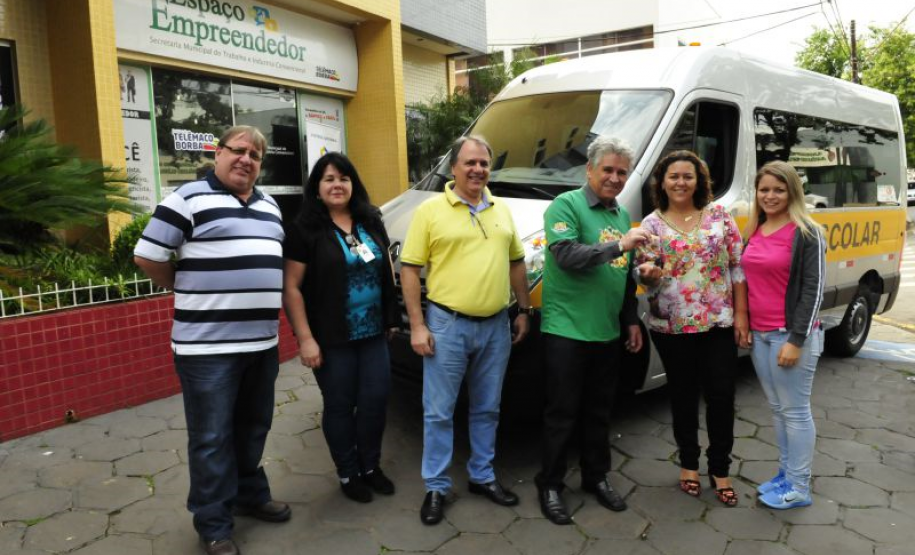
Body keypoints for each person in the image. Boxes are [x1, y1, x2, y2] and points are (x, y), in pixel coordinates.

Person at [134, 126, 290, 555]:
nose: (246, 160)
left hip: (261, 345)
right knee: (212, 438)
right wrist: (183, 286)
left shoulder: (270, 205)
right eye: (238, 150)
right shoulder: (186, 199)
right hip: (207, 350)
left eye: (255, 155)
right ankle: (214, 523)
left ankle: (249, 494)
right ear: (218, 153)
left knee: (253, 427)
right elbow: (148, 255)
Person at [400, 135, 532, 525]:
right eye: (470, 163)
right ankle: (437, 486)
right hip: (447, 325)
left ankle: (482, 475)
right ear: (454, 167)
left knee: (488, 408)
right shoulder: (430, 210)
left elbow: (517, 262)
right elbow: (410, 269)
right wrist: (417, 325)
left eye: (484, 163)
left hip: (495, 326)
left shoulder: (502, 209)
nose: (477, 169)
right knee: (439, 412)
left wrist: (523, 310)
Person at [536, 136, 653, 525]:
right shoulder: (566, 205)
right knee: (562, 413)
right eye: (608, 170)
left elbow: (623, 276)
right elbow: (566, 255)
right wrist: (620, 245)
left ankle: (595, 477)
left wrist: (630, 319)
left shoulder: (620, 214)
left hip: (606, 332)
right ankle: (550, 484)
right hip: (567, 330)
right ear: (589, 170)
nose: (615, 178)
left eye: (622, 172)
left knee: (600, 412)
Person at [282, 152, 399, 503]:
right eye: (329, 179)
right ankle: (349, 473)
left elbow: (386, 270)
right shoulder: (304, 229)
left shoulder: (370, 219)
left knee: (375, 401)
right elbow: (291, 287)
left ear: (353, 184)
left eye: (344, 178)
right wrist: (305, 339)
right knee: (340, 405)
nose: (337, 185)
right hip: (332, 338)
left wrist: (391, 317)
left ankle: (370, 467)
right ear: (317, 188)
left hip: (373, 332)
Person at [635, 150, 748, 508]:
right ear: (662, 182)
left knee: (721, 396)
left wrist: (741, 315)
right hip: (671, 326)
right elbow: (645, 274)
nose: (681, 182)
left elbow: (737, 267)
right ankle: (688, 464)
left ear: (699, 180)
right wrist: (647, 275)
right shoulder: (650, 225)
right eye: (674, 176)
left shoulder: (719, 217)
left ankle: (720, 469)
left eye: (688, 176)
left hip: (718, 323)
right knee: (682, 396)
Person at [741, 161, 826, 509]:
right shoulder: (755, 228)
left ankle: (799, 486)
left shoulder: (807, 232)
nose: (770, 196)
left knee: (795, 412)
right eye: (764, 189)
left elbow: (814, 290)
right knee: (778, 410)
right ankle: (786, 474)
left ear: (793, 192)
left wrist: (796, 339)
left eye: (779, 189)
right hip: (761, 335)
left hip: (789, 336)